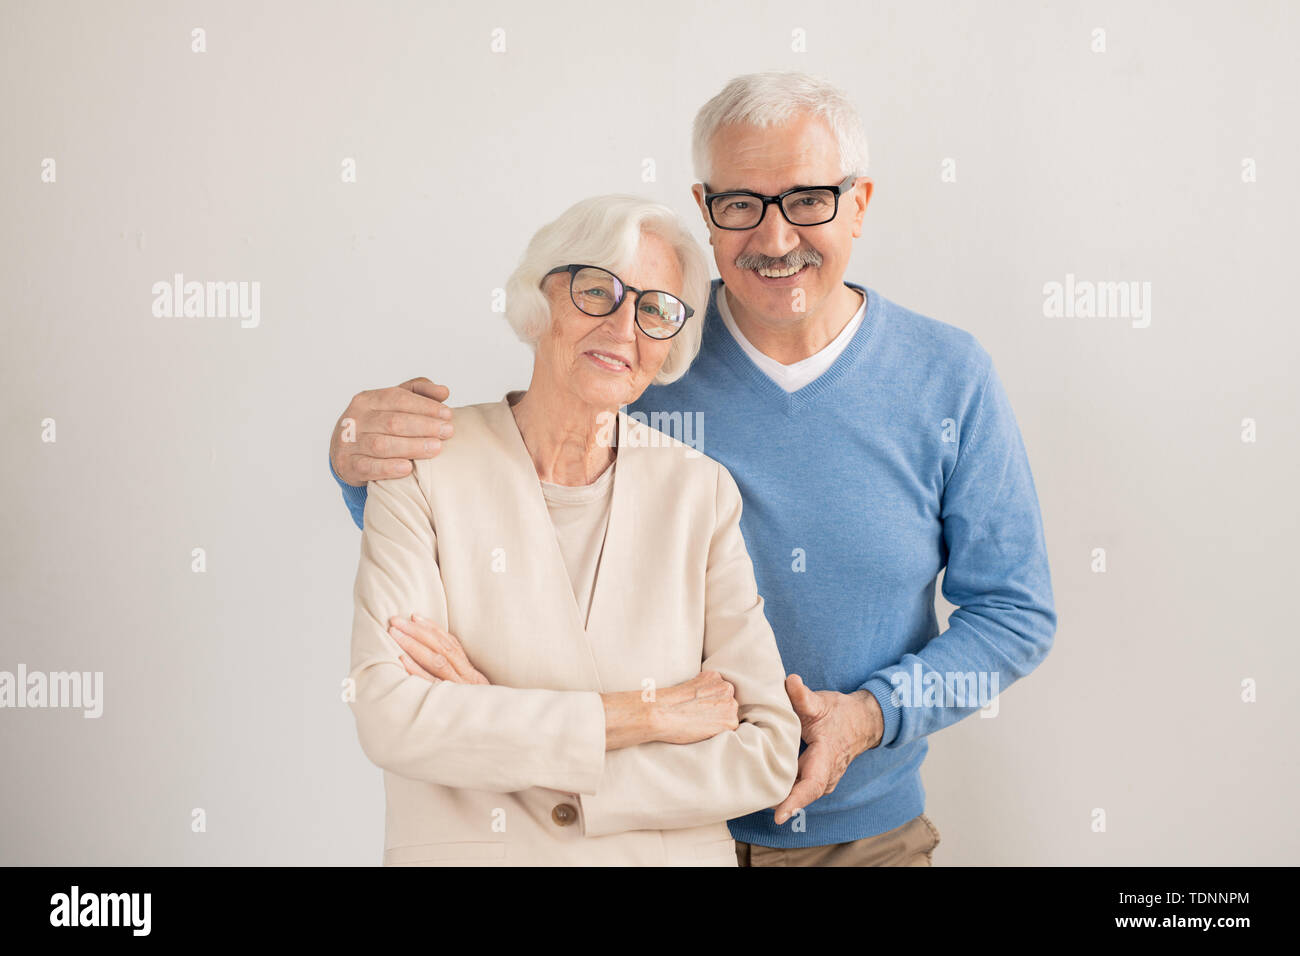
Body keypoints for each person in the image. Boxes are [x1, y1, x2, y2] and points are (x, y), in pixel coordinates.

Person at [332, 72, 1056, 867]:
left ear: (860, 202)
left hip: (857, 837)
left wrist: (871, 716)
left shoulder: (947, 377)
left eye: (808, 199)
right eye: (741, 204)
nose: (775, 239)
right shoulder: (639, 348)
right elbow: (494, 520)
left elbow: (1015, 615)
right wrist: (358, 457)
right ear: (706, 209)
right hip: (647, 841)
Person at [346, 193, 801, 866]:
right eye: (598, 290)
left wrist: (503, 728)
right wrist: (640, 716)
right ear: (540, 300)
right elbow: (389, 716)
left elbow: (765, 753)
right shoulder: (422, 464)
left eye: (654, 310)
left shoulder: (700, 493)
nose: (624, 329)